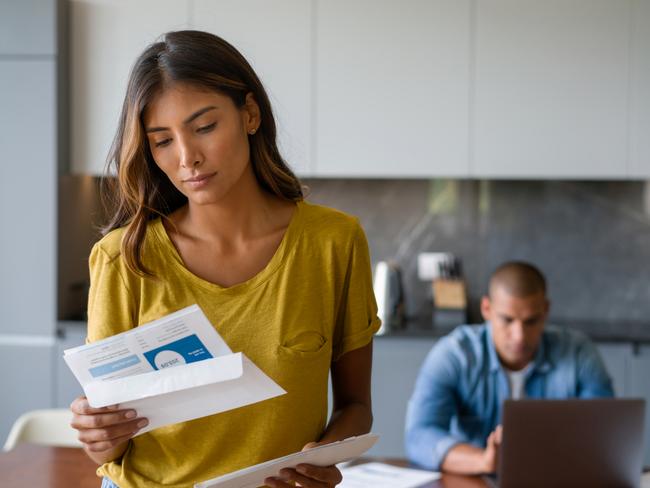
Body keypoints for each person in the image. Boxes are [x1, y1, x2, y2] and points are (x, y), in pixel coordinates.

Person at [69, 30, 380, 488]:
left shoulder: (334, 243)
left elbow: (356, 406)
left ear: (249, 114)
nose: (187, 158)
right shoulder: (122, 259)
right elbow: (114, 442)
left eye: (204, 127)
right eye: (162, 141)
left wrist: (321, 460)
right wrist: (98, 435)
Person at [405, 261, 613, 475]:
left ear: (546, 310)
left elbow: (604, 433)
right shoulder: (454, 355)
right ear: (487, 308)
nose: (519, 336)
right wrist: (482, 460)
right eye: (507, 320)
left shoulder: (578, 353)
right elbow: (420, 435)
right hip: (476, 477)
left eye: (531, 321)